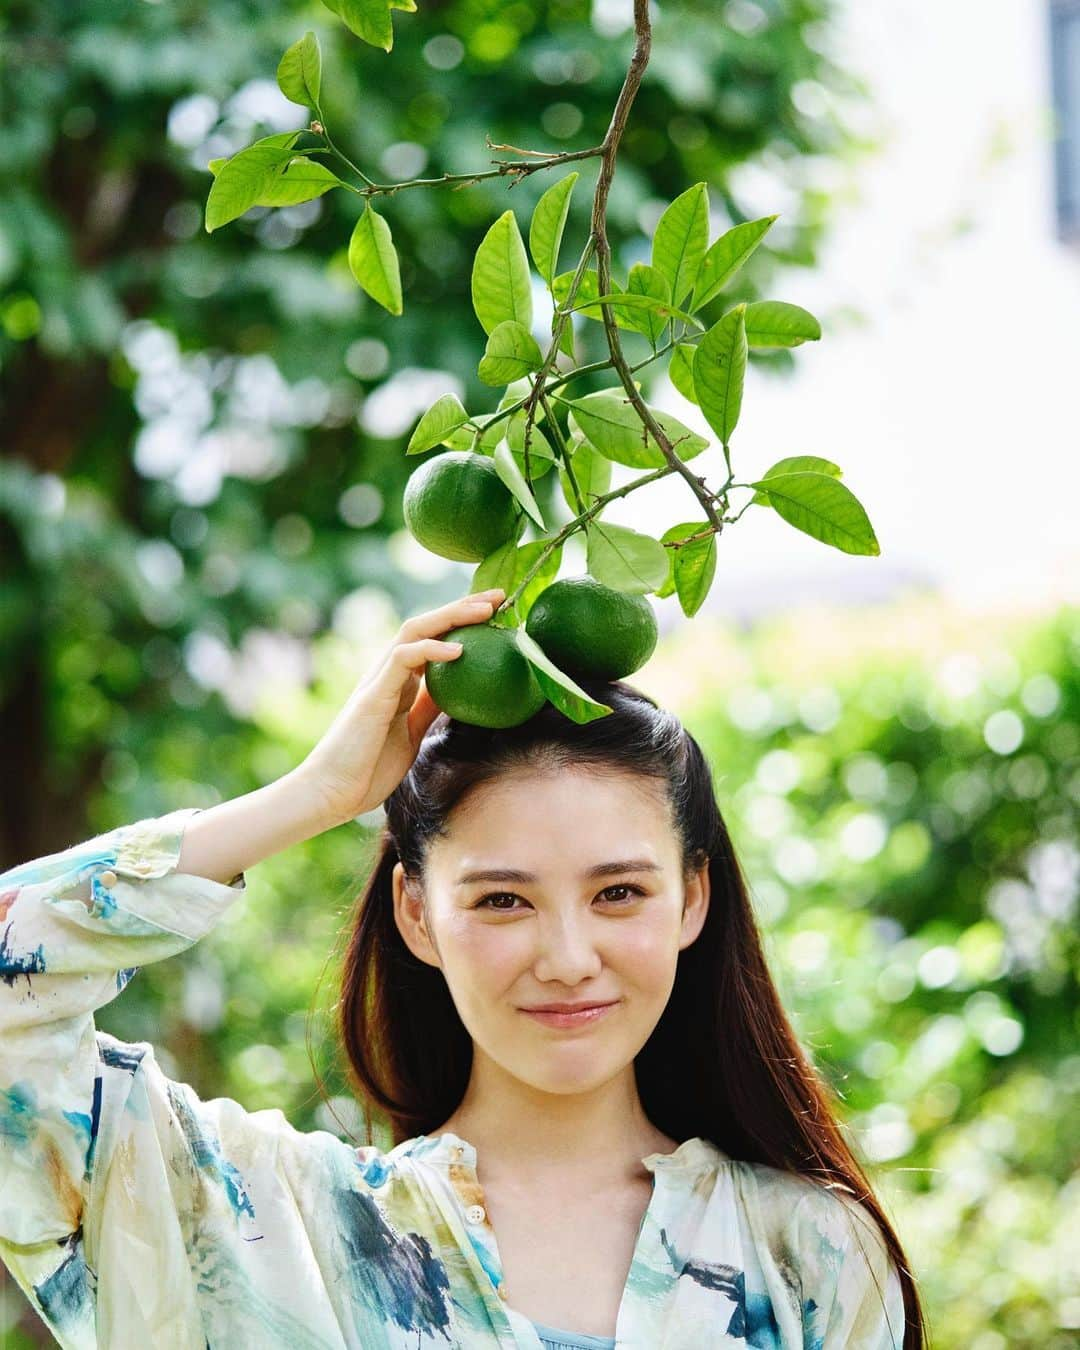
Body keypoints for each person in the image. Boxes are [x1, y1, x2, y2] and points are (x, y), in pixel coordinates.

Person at [0, 586, 926, 1349]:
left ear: (692, 900)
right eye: (502, 900)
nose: (568, 961)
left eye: (618, 894)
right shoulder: (275, 1229)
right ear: (417, 915)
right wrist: (315, 795)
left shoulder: (810, 1252)